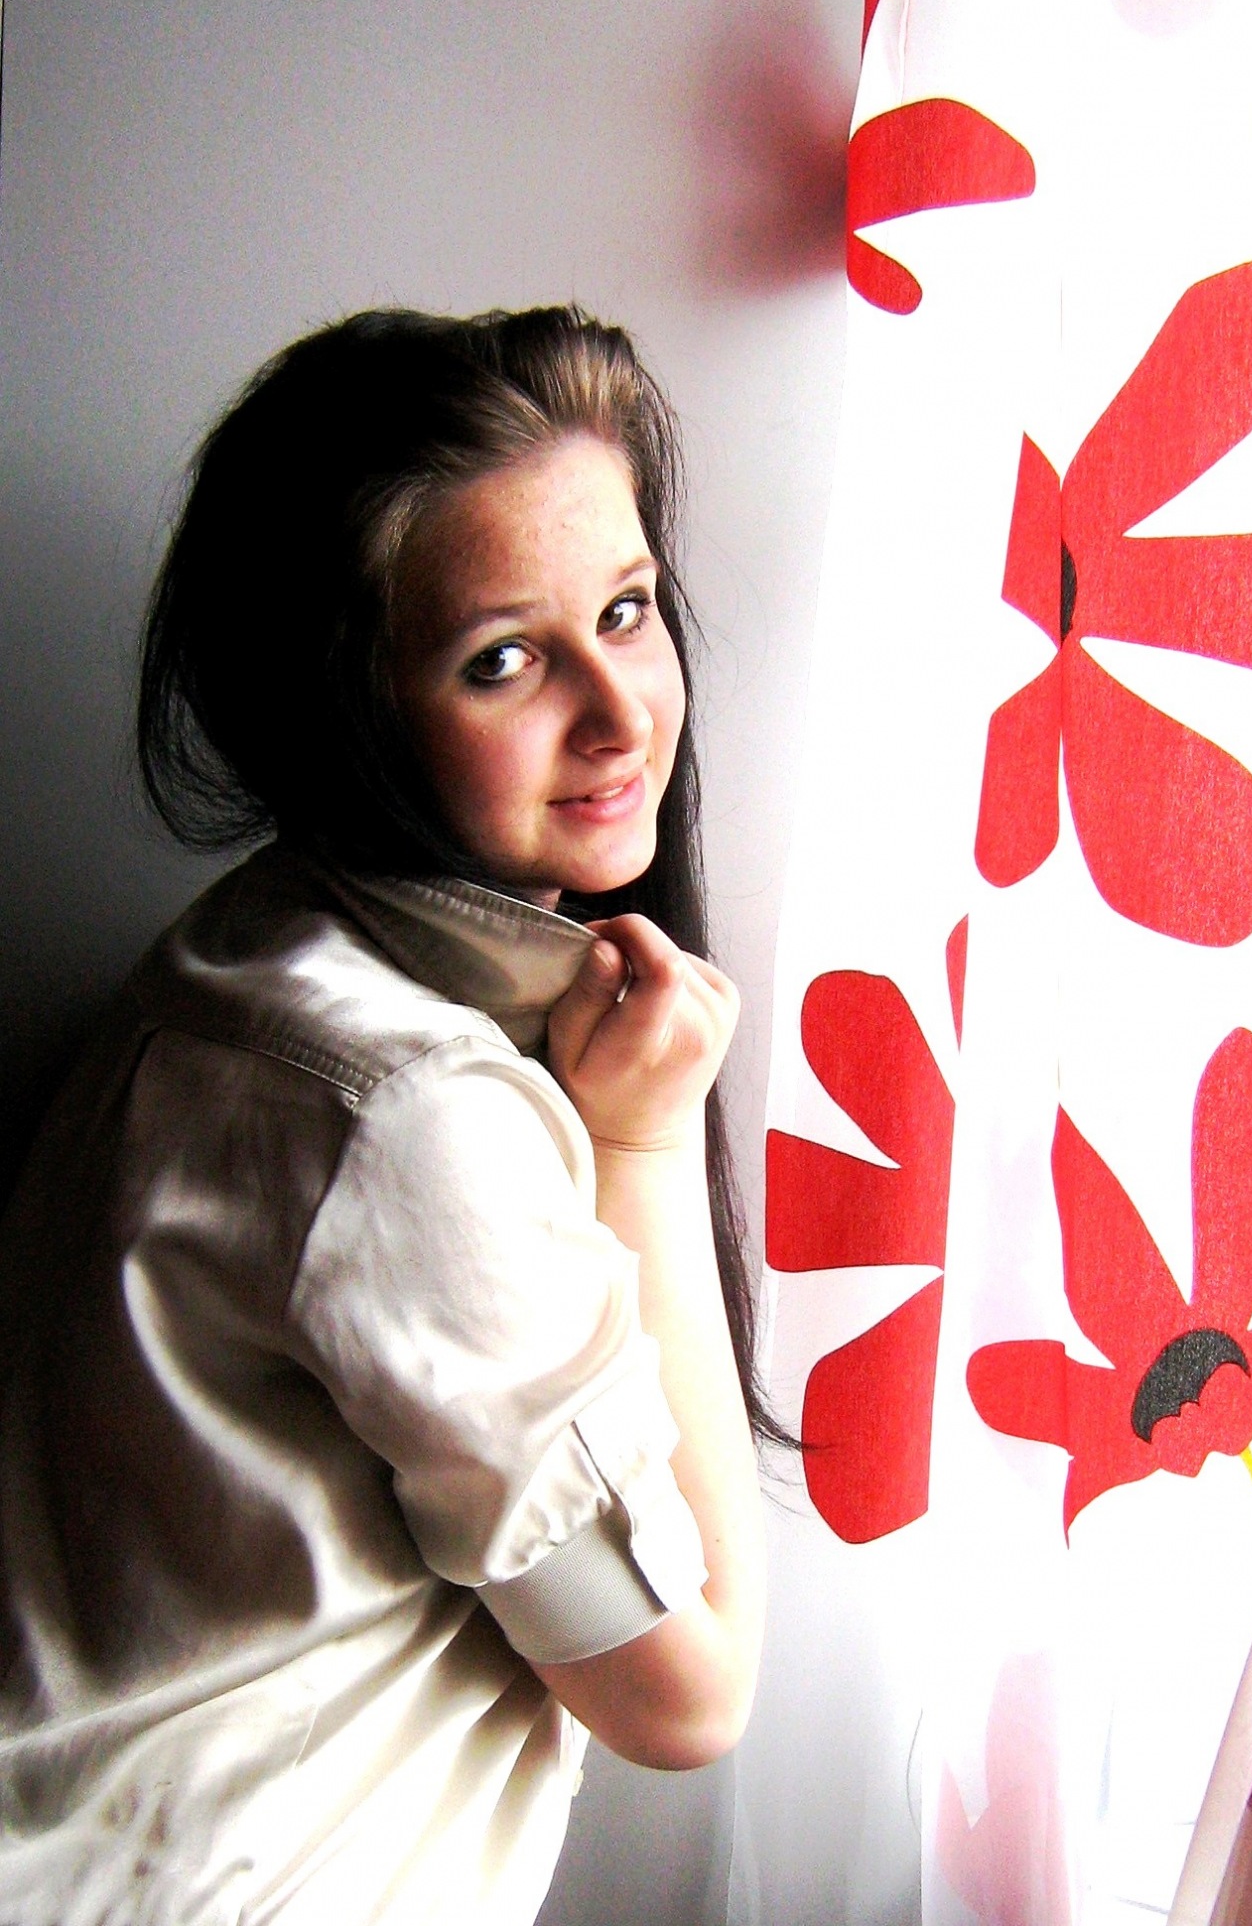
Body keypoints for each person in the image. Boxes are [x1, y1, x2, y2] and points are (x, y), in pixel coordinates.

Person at [0, 307, 768, 1925]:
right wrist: (639, 1144)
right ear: (348, 711)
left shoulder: (242, 957)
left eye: (625, 610)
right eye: (503, 659)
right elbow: (686, 1697)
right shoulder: (410, 1115)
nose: (620, 713)